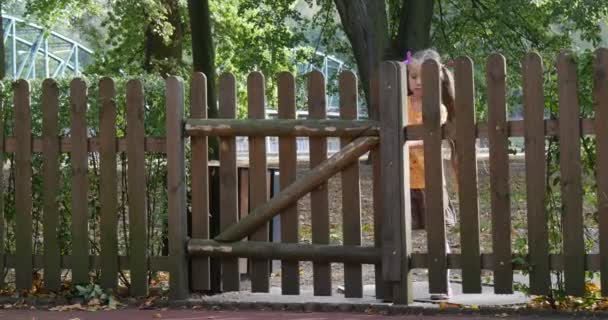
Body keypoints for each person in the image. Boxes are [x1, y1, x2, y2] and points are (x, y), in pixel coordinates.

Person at [405, 49, 457, 300]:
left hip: (430, 181)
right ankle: (400, 284)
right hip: (404, 181)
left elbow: (429, 138)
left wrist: (404, 142)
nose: (417, 82)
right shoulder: (401, 105)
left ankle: (441, 283)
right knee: (401, 234)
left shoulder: (438, 108)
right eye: (413, 76)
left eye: (424, 78)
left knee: (436, 233)